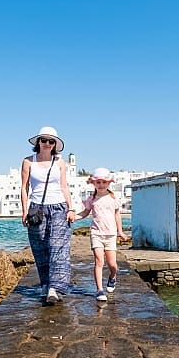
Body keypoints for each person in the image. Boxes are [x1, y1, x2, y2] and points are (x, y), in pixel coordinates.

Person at [21, 126, 76, 303]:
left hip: (59, 207)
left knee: (57, 246)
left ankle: (55, 287)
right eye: (43, 140)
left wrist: (71, 208)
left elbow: (64, 186)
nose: (47, 144)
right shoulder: (28, 161)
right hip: (37, 208)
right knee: (40, 248)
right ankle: (45, 284)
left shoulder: (60, 162)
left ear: (55, 145)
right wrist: (24, 211)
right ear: (38, 142)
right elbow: (24, 188)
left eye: (51, 141)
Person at [75, 167, 124, 302]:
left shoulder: (113, 198)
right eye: (98, 182)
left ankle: (112, 277)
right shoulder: (92, 199)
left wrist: (120, 231)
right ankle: (99, 290)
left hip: (110, 235)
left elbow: (117, 215)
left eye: (104, 182)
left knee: (112, 264)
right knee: (99, 261)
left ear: (109, 183)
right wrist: (74, 216)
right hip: (96, 233)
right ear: (93, 183)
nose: (101, 185)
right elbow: (85, 213)